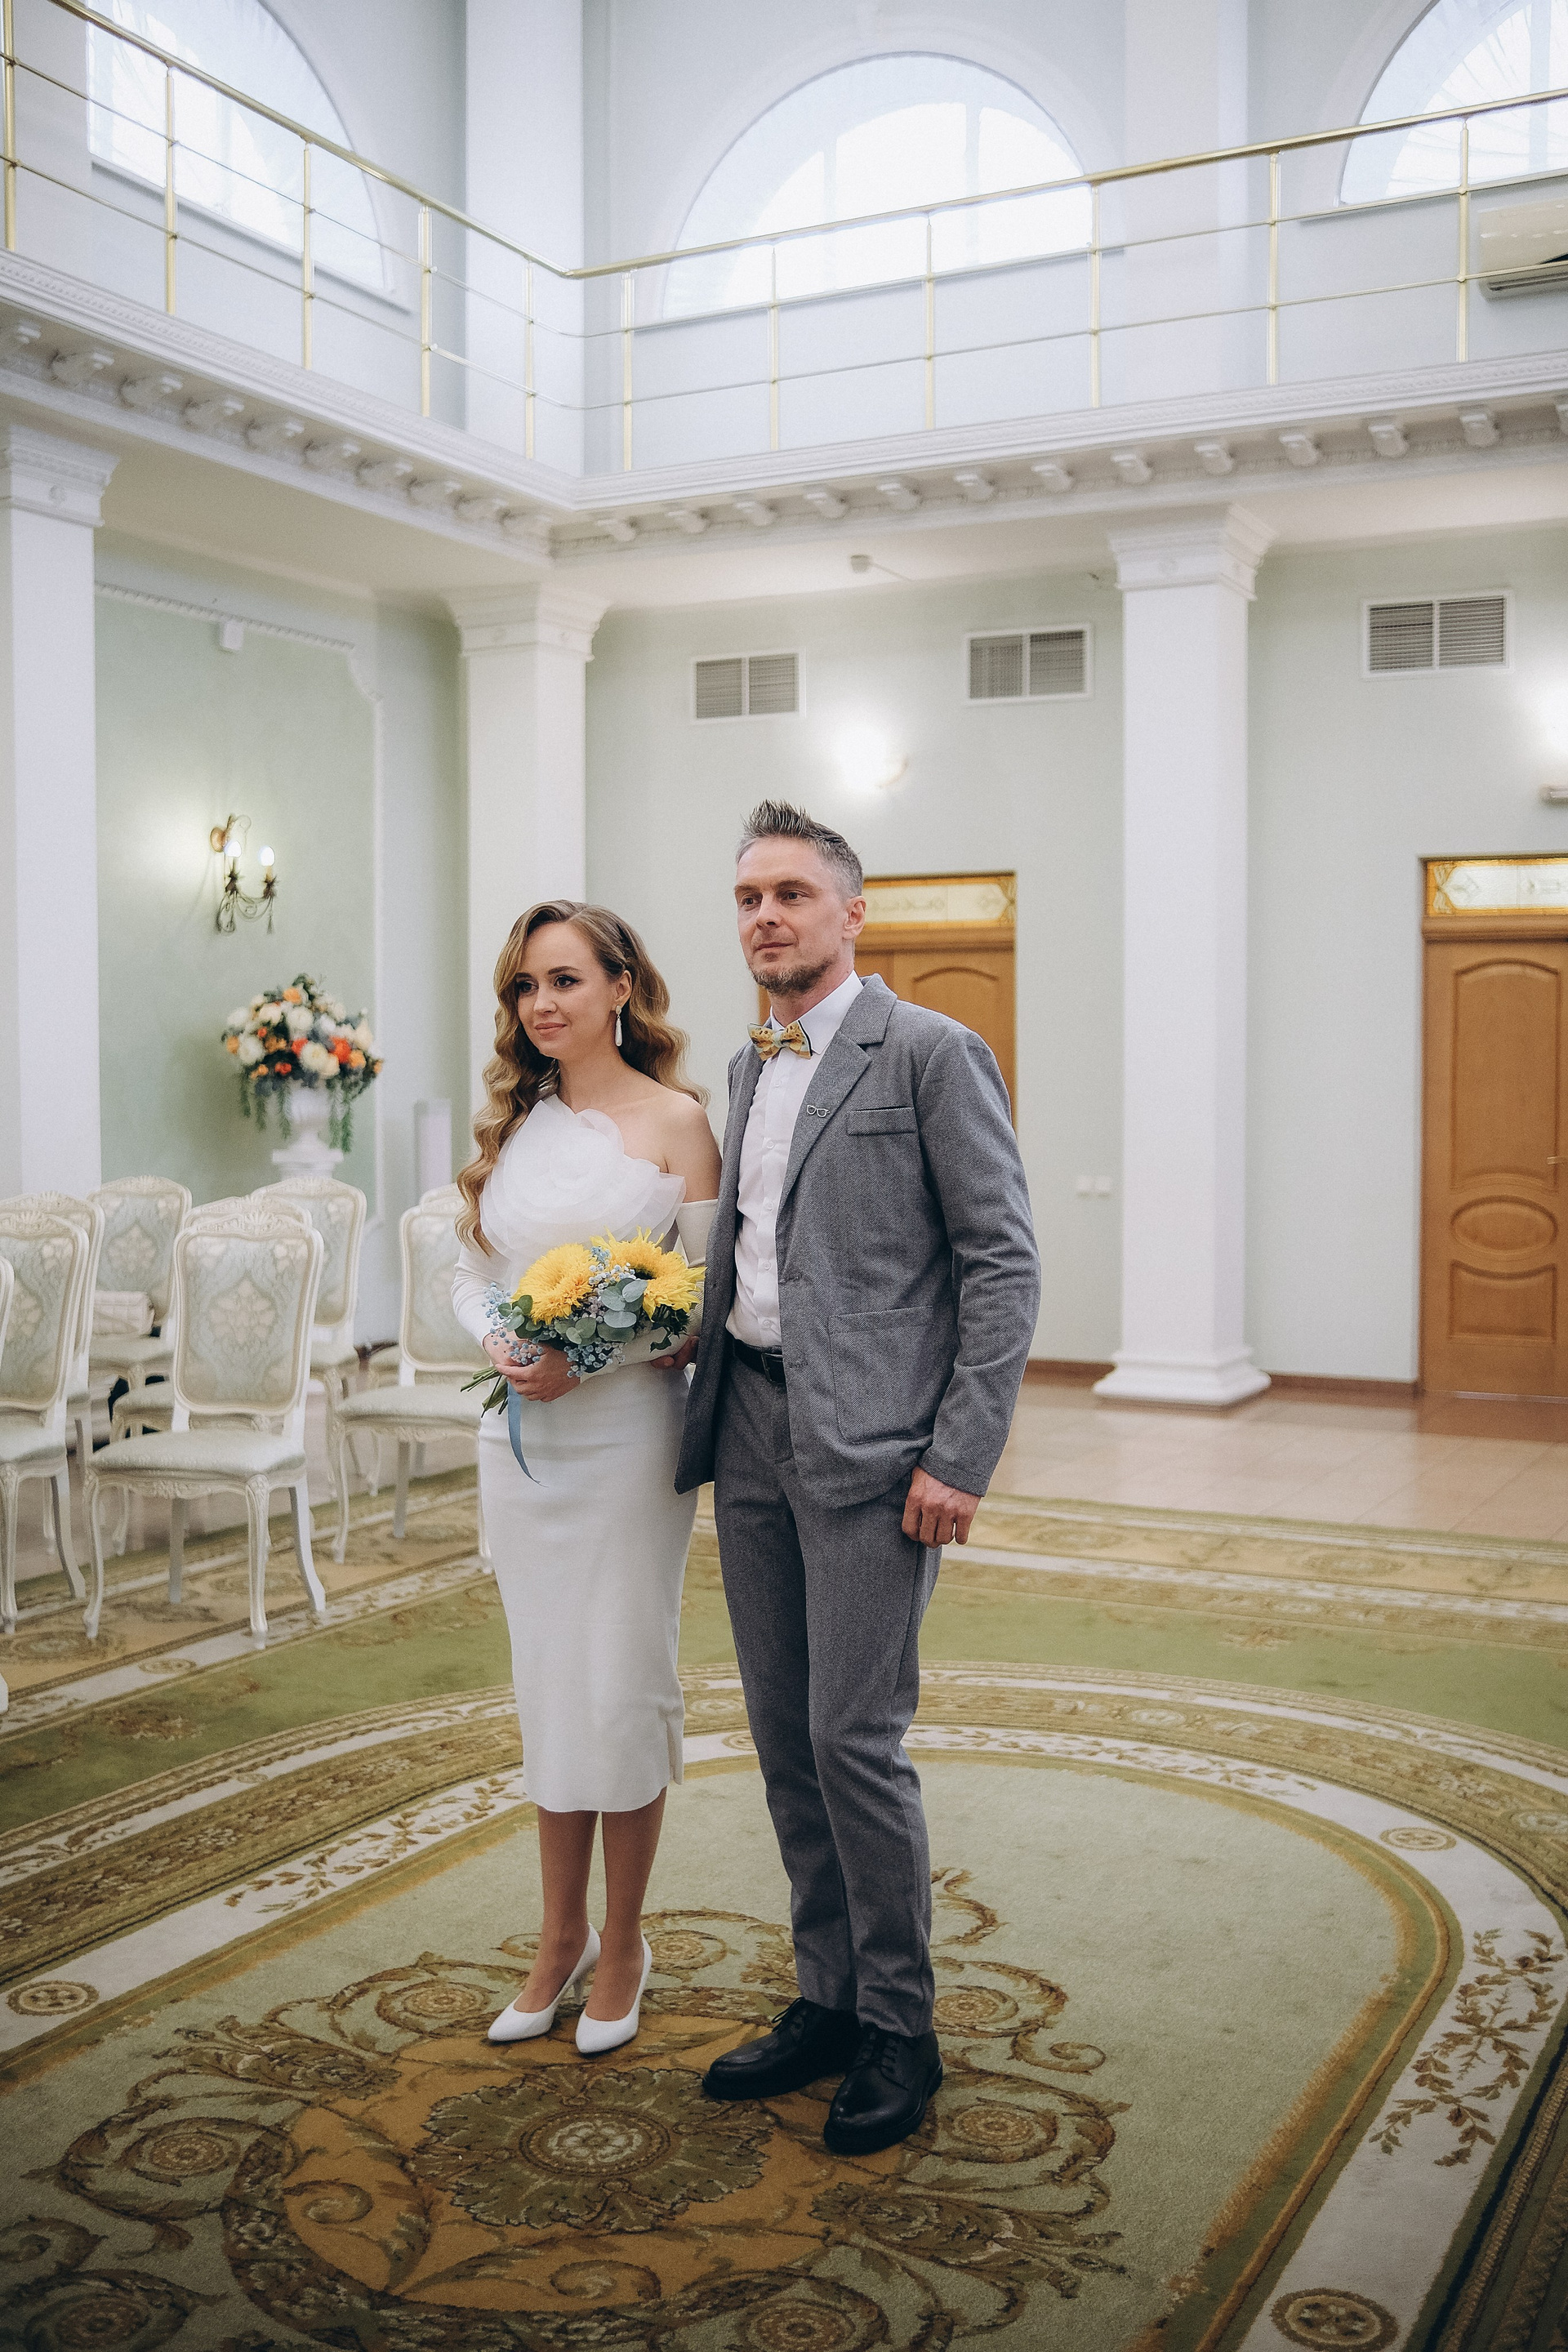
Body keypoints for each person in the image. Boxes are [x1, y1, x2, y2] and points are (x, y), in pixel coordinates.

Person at [670, 800, 1040, 2154]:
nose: (766, 917)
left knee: (853, 1741)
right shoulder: (748, 1062)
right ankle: (826, 1998)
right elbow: (759, 1253)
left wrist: (961, 1455)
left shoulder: (932, 1052)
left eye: (791, 894)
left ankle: (899, 2026)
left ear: (852, 912)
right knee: (783, 1738)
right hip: (750, 1427)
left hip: (879, 1449)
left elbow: (1001, 1262)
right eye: (748, 897)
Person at [453, 901, 719, 2056]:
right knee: (550, 1685)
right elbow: (469, 1271)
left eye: (564, 979)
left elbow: (707, 1299)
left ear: (622, 986)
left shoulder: (679, 1124)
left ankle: (624, 1944)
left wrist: (592, 1354)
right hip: (522, 1446)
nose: (541, 1003)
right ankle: (556, 1938)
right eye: (524, 986)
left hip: (626, 1447)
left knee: (619, 1683)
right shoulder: (515, 1127)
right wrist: (501, 1343)